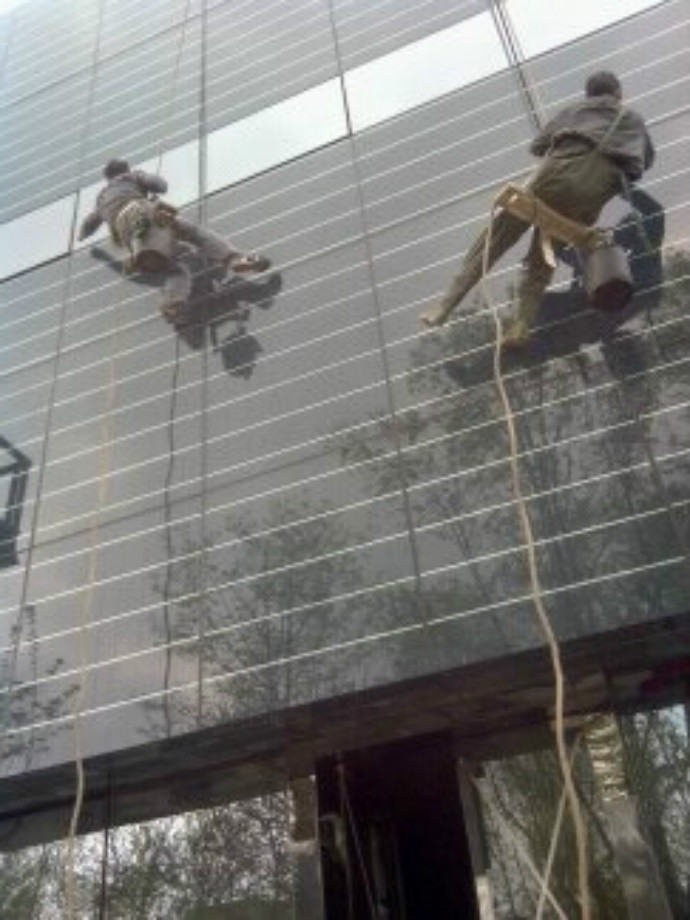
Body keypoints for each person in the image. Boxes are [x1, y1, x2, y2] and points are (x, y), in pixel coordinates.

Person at [419, 71, 655, 347]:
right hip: (587, 200)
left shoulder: (574, 111)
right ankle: (522, 325)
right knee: (542, 261)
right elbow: (645, 162)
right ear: (618, 93)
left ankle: (445, 305)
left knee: (494, 239)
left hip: (553, 180)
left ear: (589, 94)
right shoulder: (634, 120)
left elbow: (538, 145)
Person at [78, 158, 270, 325]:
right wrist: (146, 178)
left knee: (174, 269)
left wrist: (84, 239)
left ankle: (173, 304)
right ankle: (234, 259)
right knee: (194, 233)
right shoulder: (132, 177)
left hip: (132, 238)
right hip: (143, 213)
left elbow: (89, 224)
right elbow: (161, 186)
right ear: (125, 169)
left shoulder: (101, 199)